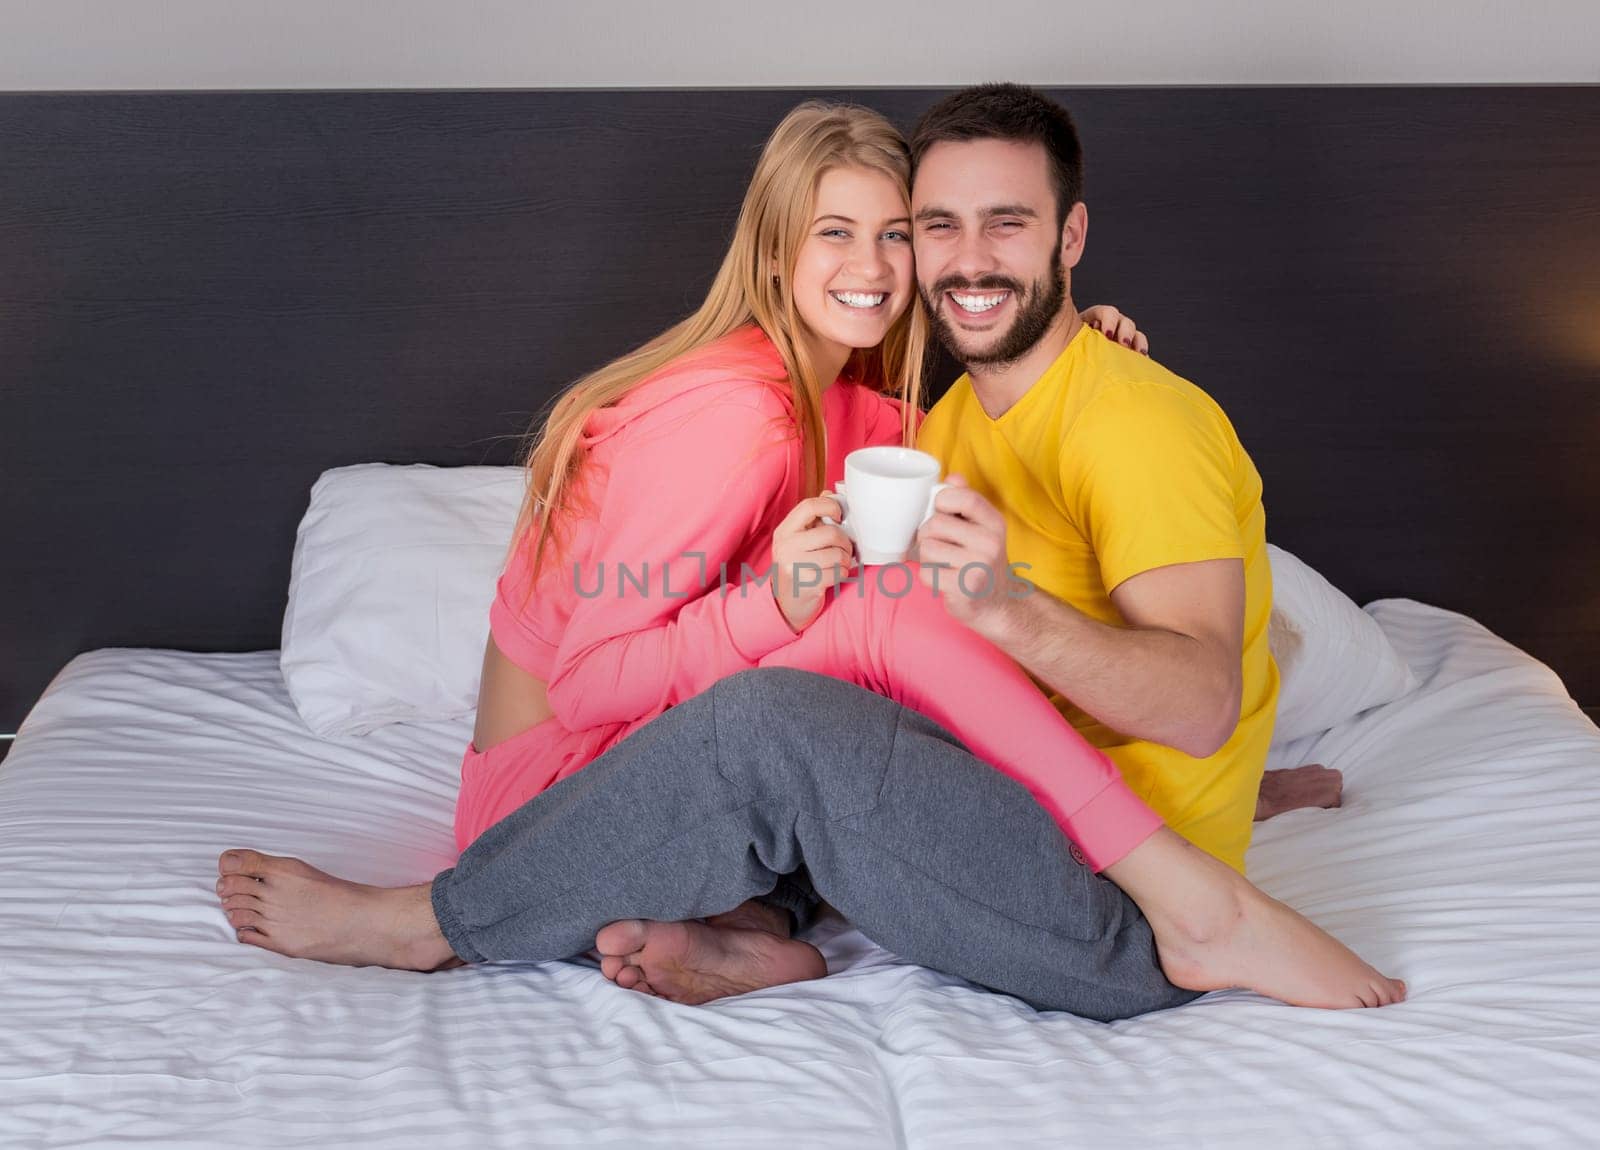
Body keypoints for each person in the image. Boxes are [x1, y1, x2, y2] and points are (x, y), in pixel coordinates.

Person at [216, 100, 1404, 1016]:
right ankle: (434, 920)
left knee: (883, 627)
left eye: (900, 233)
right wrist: (775, 605)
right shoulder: (737, 414)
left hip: (688, 794)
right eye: (838, 232)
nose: (879, 266)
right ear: (776, 248)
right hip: (564, 805)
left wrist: (1075, 348)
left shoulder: (881, 414)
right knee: (869, 621)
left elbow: (1009, 476)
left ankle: (747, 925)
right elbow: (586, 682)